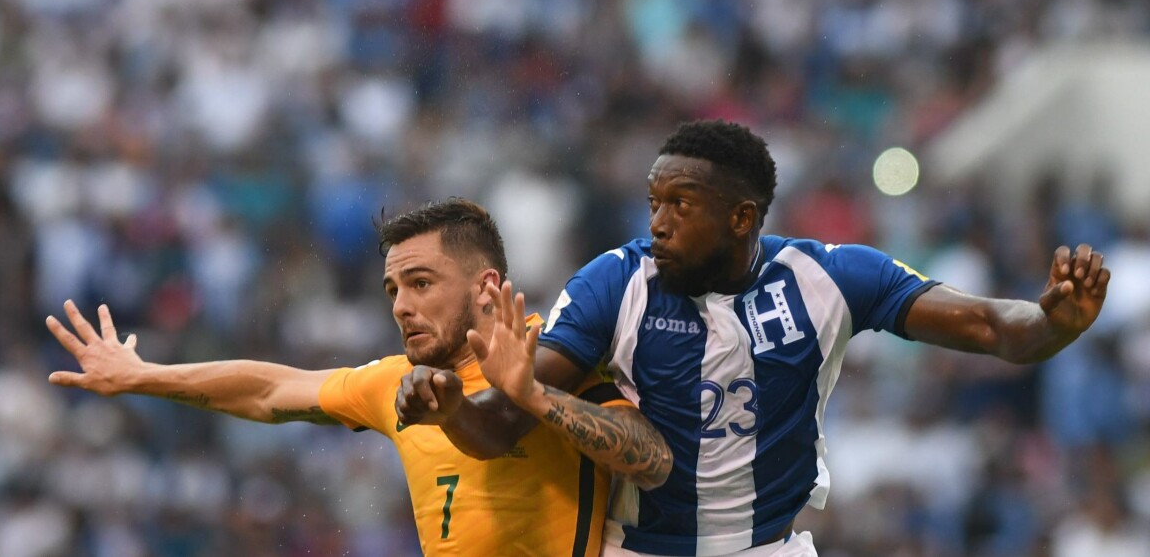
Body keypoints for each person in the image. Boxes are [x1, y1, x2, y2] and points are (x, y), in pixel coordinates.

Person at [398, 121, 1112, 557]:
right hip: (641, 550)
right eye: (654, 203)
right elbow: (501, 421)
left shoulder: (830, 277)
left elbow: (995, 328)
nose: (658, 223)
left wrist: (1053, 322)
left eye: (681, 204)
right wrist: (451, 404)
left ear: (742, 218)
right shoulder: (616, 281)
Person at [45, 198, 672, 557]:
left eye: (421, 283)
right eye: (393, 289)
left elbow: (649, 457)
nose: (401, 306)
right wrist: (144, 375)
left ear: (486, 287)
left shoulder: (551, 354)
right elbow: (268, 390)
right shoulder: (396, 383)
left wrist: (531, 397)